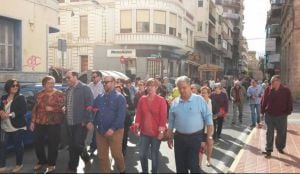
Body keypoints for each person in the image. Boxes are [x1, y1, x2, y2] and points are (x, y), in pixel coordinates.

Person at [167, 76, 213, 173]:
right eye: (179, 88)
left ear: (189, 86)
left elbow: (208, 117)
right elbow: (171, 121)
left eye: (184, 87)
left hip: (195, 138)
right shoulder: (175, 102)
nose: (182, 90)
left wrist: (209, 136)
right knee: (180, 166)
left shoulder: (199, 100)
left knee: (193, 165)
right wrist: (170, 136)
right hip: (179, 138)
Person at [30, 76, 65, 173]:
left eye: (53, 83)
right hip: (40, 121)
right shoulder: (39, 94)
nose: (52, 85)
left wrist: (53, 109)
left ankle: (51, 163)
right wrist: (33, 121)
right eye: (49, 83)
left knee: (53, 144)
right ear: (44, 84)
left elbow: (64, 108)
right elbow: (35, 109)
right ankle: (41, 161)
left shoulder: (60, 94)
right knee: (37, 142)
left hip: (54, 122)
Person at [93, 76, 126, 173]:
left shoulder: (120, 97)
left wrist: (112, 128)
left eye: (106, 82)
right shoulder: (100, 97)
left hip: (116, 131)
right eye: (103, 82)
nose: (104, 84)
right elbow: (92, 108)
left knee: (116, 154)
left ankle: (122, 170)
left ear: (114, 82)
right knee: (102, 157)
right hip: (100, 131)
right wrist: (92, 120)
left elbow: (121, 116)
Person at [133, 78, 167, 173]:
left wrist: (161, 131)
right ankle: (145, 171)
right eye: (148, 85)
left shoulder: (161, 100)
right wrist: (136, 126)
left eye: (153, 86)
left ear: (156, 87)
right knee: (142, 154)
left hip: (156, 133)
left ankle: (154, 172)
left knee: (154, 155)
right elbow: (139, 114)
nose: (150, 88)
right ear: (146, 87)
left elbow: (163, 117)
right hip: (144, 132)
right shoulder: (142, 99)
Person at [64, 71, 94, 173]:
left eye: (69, 78)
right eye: (66, 78)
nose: (67, 80)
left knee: (77, 144)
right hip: (69, 122)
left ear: (75, 77)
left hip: (80, 122)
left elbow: (89, 106)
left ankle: (79, 163)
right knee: (73, 145)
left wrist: (87, 120)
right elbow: (69, 105)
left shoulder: (85, 88)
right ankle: (77, 164)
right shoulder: (68, 90)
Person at [261, 75, 293, 158]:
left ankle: (280, 147)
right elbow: (264, 100)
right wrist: (262, 111)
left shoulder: (286, 90)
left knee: (281, 133)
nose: (271, 83)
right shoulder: (268, 89)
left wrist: (287, 112)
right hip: (269, 115)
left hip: (281, 115)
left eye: (273, 82)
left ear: (278, 81)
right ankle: (268, 150)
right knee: (269, 132)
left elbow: (289, 102)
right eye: (271, 82)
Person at [0, 79, 27, 173]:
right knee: (2, 145)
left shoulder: (20, 97)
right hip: (4, 126)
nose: (15, 87)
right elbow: (1, 107)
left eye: (17, 85)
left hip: (17, 126)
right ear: (8, 87)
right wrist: (1, 111)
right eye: (13, 85)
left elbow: (23, 110)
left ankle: (19, 164)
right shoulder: (4, 97)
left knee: (18, 146)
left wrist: (10, 114)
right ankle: (2, 166)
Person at [87, 70, 104, 155]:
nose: (92, 78)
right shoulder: (89, 85)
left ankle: (95, 146)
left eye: (94, 77)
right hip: (90, 109)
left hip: (100, 111)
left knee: (98, 129)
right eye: (92, 77)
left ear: (99, 77)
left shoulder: (103, 85)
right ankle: (93, 145)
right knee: (91, 128)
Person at [199, 86, 213, 167]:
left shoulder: (211, 102)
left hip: (210, 127)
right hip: (201, 127)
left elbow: (216, 113)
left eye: (204, 93)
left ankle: (208, 159)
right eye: (202, 92)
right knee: (202, 145)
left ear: (209, 94)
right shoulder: (199, 102)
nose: (203, 94)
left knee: (209, 143)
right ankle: (199, 164)